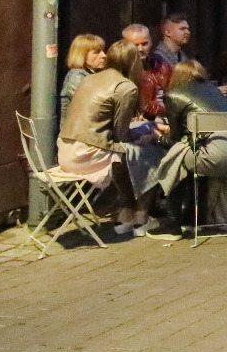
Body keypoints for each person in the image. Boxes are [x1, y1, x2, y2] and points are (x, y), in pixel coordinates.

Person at [57, 40, 163, 236]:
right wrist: (147, 132)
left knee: (129, 154)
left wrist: (144, 128)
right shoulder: (125, 87)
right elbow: (121, 134)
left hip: (66, 149)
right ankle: (141, 217)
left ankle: (126, 213)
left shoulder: (90, 78)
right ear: (133, 63)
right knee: (153, 154)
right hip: (87, 154)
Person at [152, 60, 227, 232]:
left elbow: (176, 139)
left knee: (177, 157)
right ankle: (197, 217)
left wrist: (156, 138)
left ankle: (174, 223)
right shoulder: (213, 91)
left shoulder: (174, 94)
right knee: (195, 152)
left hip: (216, 155)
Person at [59, 33, 106, 116]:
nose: (104, 55)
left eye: (103, 51)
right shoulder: (77, 76)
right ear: (82, 55)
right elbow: (92, 106)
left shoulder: (91, 73)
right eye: (96, 52)